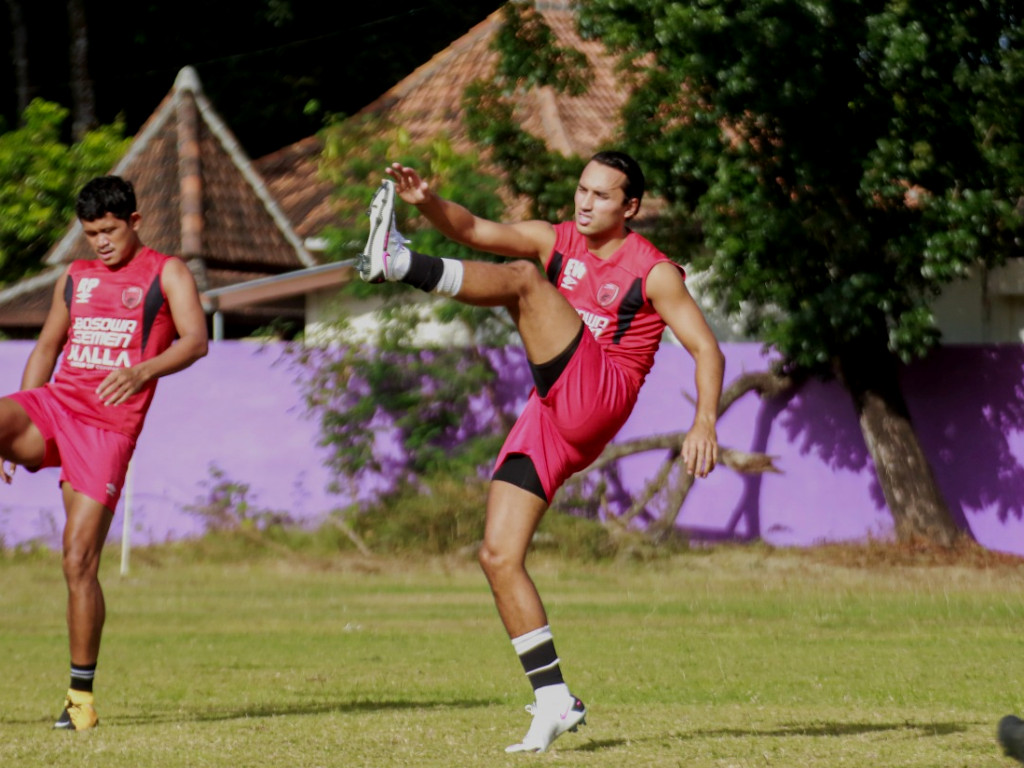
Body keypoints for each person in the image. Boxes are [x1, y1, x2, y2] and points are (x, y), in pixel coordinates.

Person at [357, 151, 725, 752]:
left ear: (629, 207)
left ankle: (397, 261)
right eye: (582, 189)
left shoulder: (655, 272)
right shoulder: (555, 239)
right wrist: (426, 203)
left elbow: (707, 350)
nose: (585, 202)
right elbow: (473, 229)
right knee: (498, 555)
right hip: (551, 412)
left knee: (525, 281)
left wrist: (703, 421)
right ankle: (555, 698)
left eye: (601, 196)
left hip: (600, 394)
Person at [0, 176, 209, 730]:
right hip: (56, 405)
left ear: (135, 222)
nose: (101, 242)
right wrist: (16, 421)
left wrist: (142, 369)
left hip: (106, 431)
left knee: (77, 560)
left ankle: (80, 701)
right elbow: (48, 344)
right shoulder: (76, 276)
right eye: (91, 233)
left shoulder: (168, 273)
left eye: (110, 230)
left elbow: (196, 340)